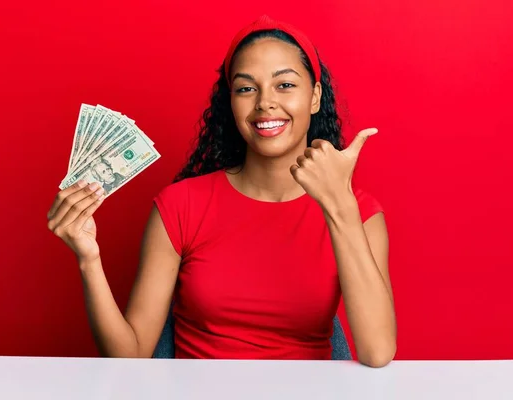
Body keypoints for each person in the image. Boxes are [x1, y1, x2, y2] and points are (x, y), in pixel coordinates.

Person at [46, 15, 396, 367]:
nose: (265, 103)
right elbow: (131, 354)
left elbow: (377, 353)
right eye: (246, 88)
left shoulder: (361, 214)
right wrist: (88, 259)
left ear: (315, 96)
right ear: (231, 103)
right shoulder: (180, 206)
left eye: (285, 85)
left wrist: (339, 207)